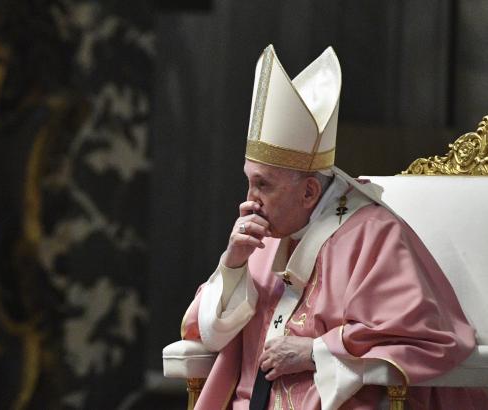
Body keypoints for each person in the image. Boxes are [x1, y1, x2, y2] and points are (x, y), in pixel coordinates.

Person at [180, 45, 487, 409]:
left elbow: (424, 335)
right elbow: (209, 335)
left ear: (310, 191)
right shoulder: (260, 236)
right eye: (249, 182)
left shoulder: (373, 234)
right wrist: (232, 267)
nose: (249, 200)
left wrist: (316, 351)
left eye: (263, 184)